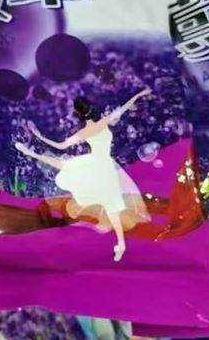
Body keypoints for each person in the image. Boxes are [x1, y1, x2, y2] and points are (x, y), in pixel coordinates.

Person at [15, 89, 151, 261]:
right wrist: (139, 95)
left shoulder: (83, 133)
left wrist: (40, 137)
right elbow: (123, 108)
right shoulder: (103, 122)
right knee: (111, 205)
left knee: (64, 165)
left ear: (78, 114)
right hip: (105, 165)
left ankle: (31, 153)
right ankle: (121, 244)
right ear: (91, 109)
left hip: (96, 163)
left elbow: (60, 146)